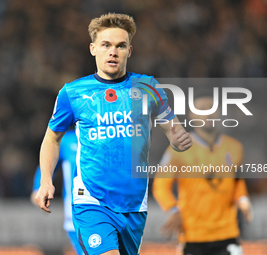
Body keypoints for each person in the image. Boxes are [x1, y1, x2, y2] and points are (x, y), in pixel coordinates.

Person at [35, 13, 192, 255]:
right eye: (106, 45)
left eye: (120, 46)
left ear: (130, 50)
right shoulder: (73, 93)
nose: (113, 52)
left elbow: (173, 131)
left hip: (134, 205)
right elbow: (52, 138)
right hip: (91, 201)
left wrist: (179, 140)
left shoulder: (148, 87)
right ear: (93, 49)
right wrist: (46, 180)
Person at [153, 94, 253, 255]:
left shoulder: (234, 147)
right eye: (202, 108)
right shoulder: (177, 150)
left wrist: (243, 199)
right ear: (191, 115)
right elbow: (160, 186)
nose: (208, 112)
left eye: (212, 107)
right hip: (192, 235)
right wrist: (173, 210)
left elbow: (236, 181)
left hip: (227, 232)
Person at [30, 130, 84, 255]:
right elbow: (48, 162)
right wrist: (39, 187)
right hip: (76, 210)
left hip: (115, 206)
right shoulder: (66, 140)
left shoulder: (107, 132)